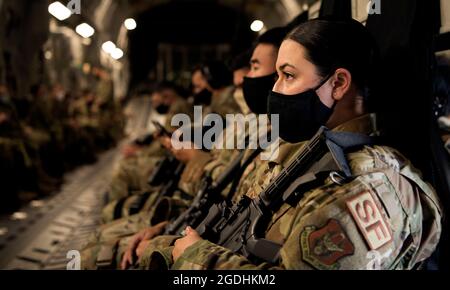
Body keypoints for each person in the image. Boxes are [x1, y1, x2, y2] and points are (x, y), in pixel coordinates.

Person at [141, 18, 442, 270]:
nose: (275, 90)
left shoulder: (365, 186)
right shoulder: (311, 150)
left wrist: (198, 260)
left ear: (338, 83)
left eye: (288, 75)